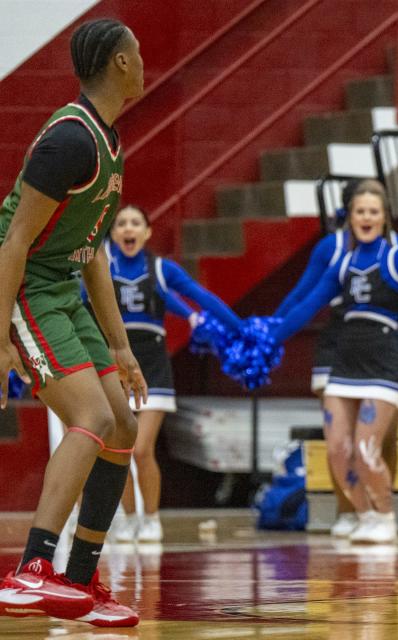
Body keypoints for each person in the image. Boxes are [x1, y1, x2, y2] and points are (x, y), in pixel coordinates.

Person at [0, 19, 144, 626]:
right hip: (27, 286)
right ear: (117, 62)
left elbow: (96, 250)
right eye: (136, 52)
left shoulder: (107, 141)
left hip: (64, 287)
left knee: (123, 428)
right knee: (91, 416)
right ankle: (29, 572)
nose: (143, 60)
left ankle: (80, 582)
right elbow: (12, 242)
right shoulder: (69, 139)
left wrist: (122, 346)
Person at [272, 180, 398, 544]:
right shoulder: (344, 261)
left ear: (384, 217)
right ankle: (363, 513)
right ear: (350, 217)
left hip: (383, 360)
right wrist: (266, 336)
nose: (366, 218)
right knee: (338, 448)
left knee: (368, 449)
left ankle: (385, 516)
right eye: (360, 212)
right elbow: (306, 306)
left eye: (373, 212)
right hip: (345, 361)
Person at [101, 205, 242, 543]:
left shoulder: (162, 270)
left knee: (141, 449)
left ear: (147, 232)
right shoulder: (101, 270)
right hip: (116, 363)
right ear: (114, 233)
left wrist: (240, 328)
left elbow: (202, 298)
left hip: (152, 364)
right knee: (117, 449)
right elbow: (77, 303)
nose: (128, 229)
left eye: (136, 222)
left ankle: (151, 519)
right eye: (121, 224)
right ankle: (130, 518)